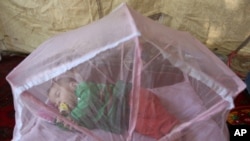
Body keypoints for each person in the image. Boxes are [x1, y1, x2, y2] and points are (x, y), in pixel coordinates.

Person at [48, 77, 178, 139]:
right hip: (125, 118)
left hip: (127, 97)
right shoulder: (79, 115)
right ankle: (168, 134)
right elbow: (78, 125)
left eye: (58, 95)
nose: (59, 102)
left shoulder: (84, 89)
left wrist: (72, 117)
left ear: (73, 85)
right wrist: (62, 122)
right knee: (143, 126)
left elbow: (88, 103)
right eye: (56, 103)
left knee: (149, 109)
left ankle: (174, 127)